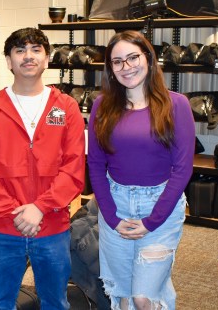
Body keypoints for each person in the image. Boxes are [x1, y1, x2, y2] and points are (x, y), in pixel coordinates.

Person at [0, 27, 85, 309]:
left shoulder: (66, 107)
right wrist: (14, 211)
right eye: (20, 50)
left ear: (46, 59)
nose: (28, 56)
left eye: (35, 50)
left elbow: (74, 167)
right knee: (0, 302)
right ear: (9, 61)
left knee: (55, 302)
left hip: (52, 224)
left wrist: (40, 207)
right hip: (3, 225)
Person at [87, 30, 195, 310]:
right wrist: (110, 217)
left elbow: (183, 169)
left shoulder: (176, 104)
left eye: (133, 57)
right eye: (118, 61)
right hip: (116, 203)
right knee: (123, 297)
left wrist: (152, 221)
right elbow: (96, 165)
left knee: (144, 298)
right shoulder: (101, 106)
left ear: (148, 57)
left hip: (161, 206)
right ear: (110, 68)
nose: (127, 67)